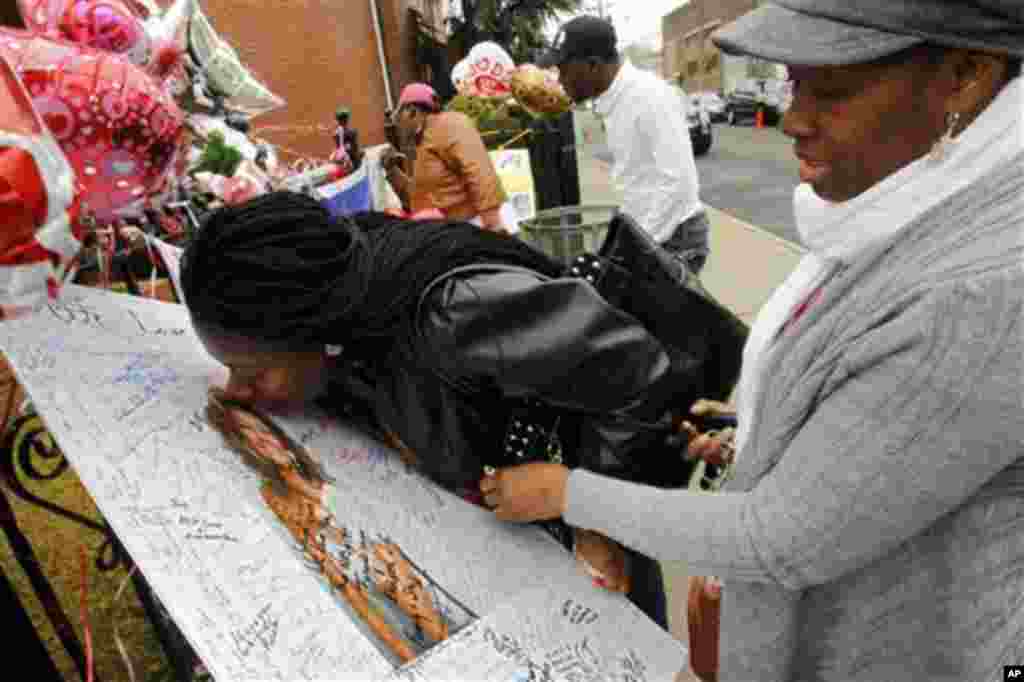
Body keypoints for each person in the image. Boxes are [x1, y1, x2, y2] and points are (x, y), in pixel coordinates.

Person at [483, 2, 1024, 680]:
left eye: (829, 91)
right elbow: (890, 414)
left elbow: (780, 537)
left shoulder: (978, 291)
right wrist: (763, 435)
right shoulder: (898, 205)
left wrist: (567, 493)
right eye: (793, 84)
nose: (792, 118)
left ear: (968, 74)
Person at [178, 191, 747, 630]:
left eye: (252, 372)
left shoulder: (457, 313)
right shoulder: (344, 319)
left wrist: (586, 510)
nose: (236, 389)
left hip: (579, 542)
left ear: (312, 329)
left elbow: (641, 377)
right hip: (505, 554)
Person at [541, 16, 709, 273]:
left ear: (592, 65)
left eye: (563, 70)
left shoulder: (648, 97)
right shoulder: (613, 99)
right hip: (649, 233)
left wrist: (637, 247)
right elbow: (637, 177)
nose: (560, 80)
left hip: (674, 237)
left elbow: (679, 182)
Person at [381, 83, 508, 232]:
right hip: (449, 234)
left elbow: (478, 170)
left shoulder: (450, 125)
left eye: (399, 115)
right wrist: (392, 171)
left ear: (412, 111)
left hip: (475, 227)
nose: (398, 125)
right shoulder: (423, 142)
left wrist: (492, 222)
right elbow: (418, 201)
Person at [333, 106, 362, 170]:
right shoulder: (352, 132)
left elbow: (339, 149)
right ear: (347, 119)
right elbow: (355, 149)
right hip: (354, 163)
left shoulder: (335, 134)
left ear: (338, 120)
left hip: (345, 163)